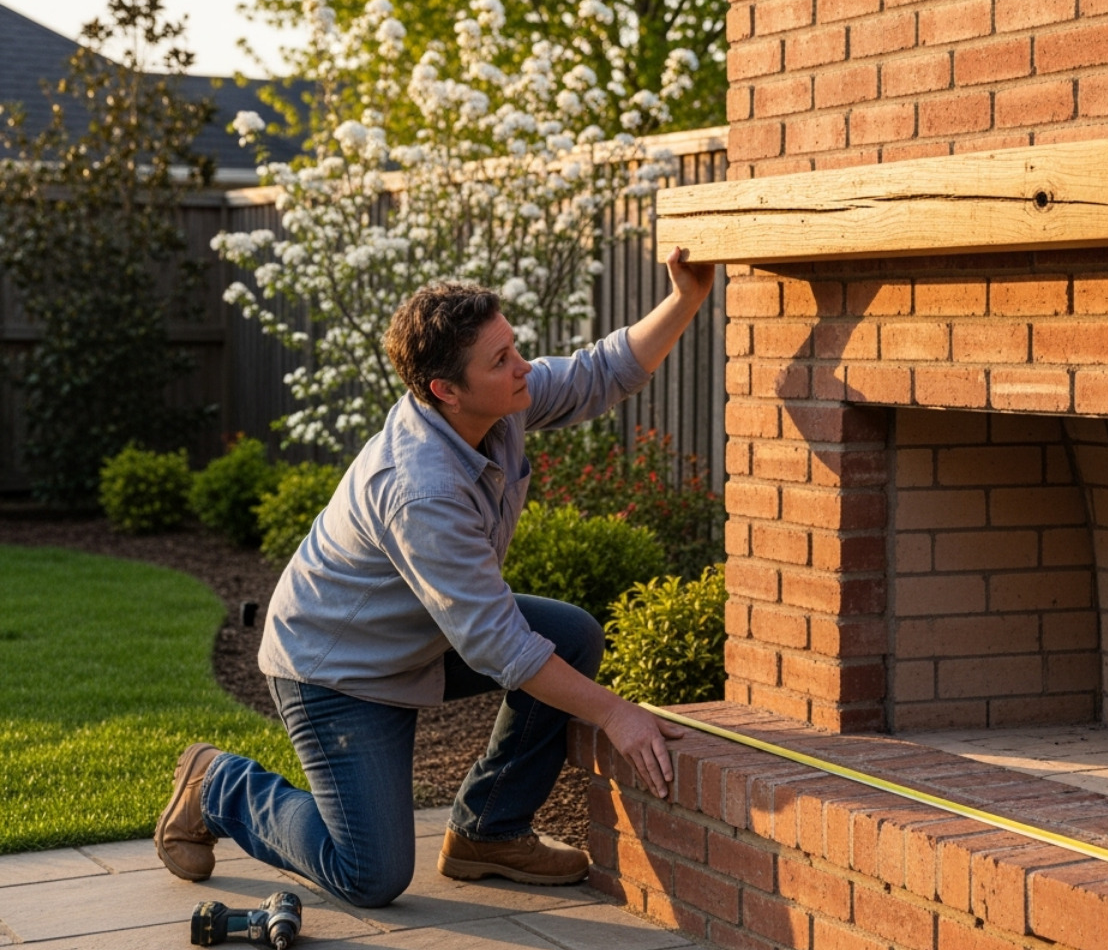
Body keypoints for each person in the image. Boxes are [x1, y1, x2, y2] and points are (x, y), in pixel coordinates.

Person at [154, 246, 713, 907]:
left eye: (514, 347)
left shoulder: (497, 405)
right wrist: (618, 714)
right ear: (446, 389)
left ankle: (488, 831)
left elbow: (600, 372)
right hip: (336, 670)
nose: (522, 366)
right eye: (500, 359)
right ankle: (218, 785)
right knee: (371, 874)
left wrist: (685, 299)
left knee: (569, 635)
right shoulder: (422, 487)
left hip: (416, 634)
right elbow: (499, 647)